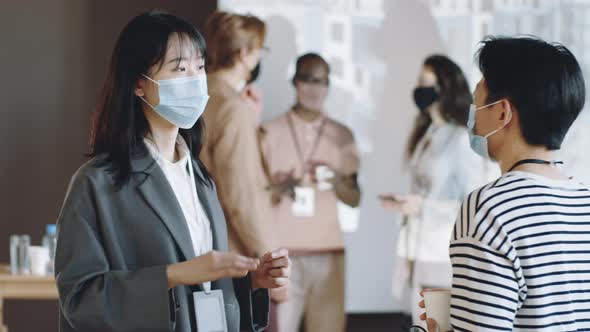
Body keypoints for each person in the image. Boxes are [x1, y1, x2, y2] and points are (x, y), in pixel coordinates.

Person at [54, 11, 290, 332]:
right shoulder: (97, 182)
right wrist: (176, 274)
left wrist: (253, 281)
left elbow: (207, 292)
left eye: (200, 67)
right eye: (180, 68)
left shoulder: (200, 178)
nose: (194, 79)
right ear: (139, 84)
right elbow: (80, 299)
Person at [420, 36, 589, 331]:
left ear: (502, 113)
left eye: (476, 104)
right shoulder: (584, 201)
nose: (472, 117)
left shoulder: (488, 208)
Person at [380, 55, 495, 324]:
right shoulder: (427, 133)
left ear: (444, 87)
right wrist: (406, 205)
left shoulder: (459, 140)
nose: (418, 88)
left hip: (443, 252)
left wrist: (422, 206)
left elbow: (474, 203)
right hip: (419, 247)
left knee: (437, 324)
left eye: (424, 82)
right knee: (424, 323)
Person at [259, 53, 361, 332]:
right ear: (295, 82)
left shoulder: (343, 135)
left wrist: (338, 180)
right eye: (308, 79)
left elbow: (354, 199)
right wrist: (280, 188)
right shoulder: (268, 132)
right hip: (282, 254)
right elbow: (251, 199)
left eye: (322, 81)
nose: (315, 88)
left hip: (329, 253)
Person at [200, 11, 276, 258]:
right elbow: (240, 197)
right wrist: (268, 259)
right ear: (244, 53)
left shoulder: (200, 93)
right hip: (231, 248)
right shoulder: (231, 107)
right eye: (259, 51)